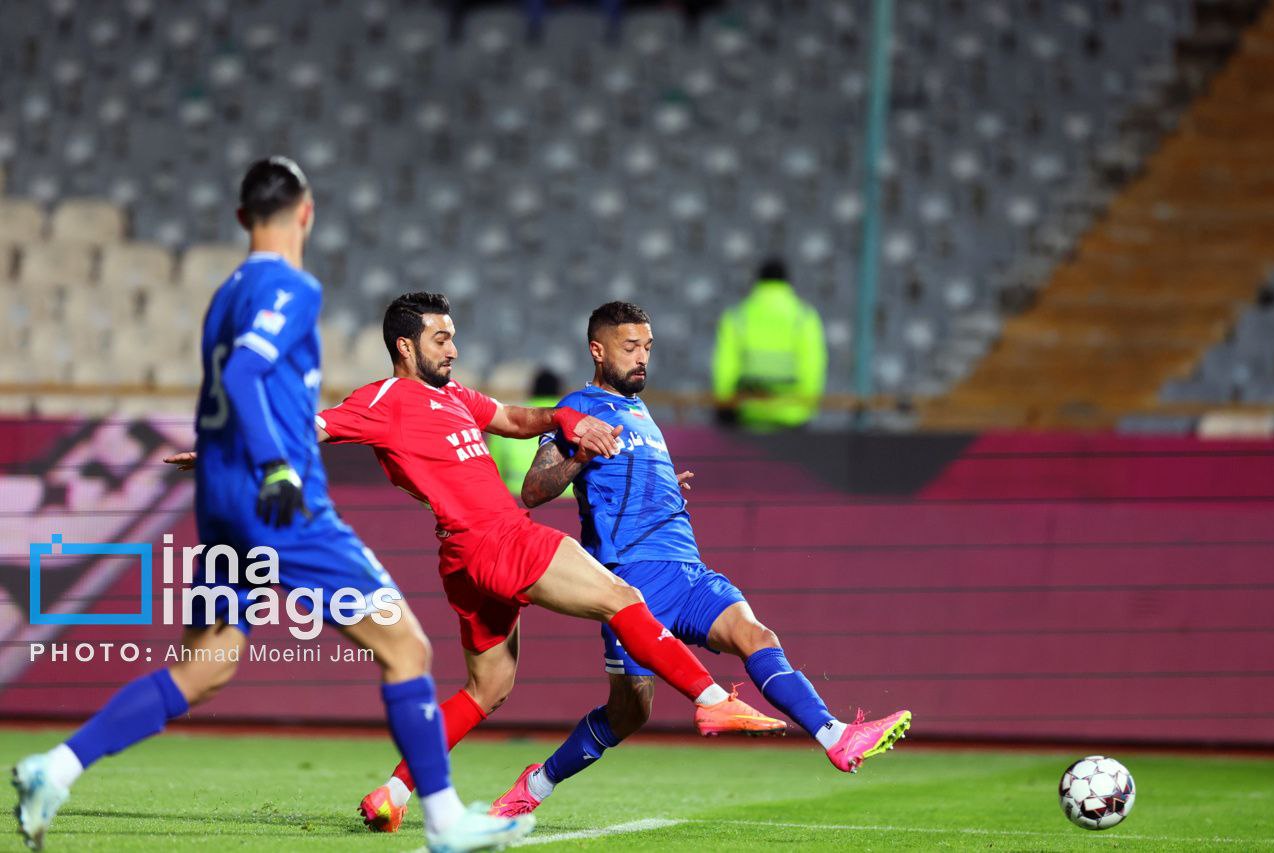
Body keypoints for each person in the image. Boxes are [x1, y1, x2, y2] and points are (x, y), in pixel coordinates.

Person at [11, 158, 531, 853]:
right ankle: (444, 820)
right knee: (406, 646)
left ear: (240, 219)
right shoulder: (293, 286)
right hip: (278, 500)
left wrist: (225, 458)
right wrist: (280, 464)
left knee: (205, 667)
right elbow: (246, 372)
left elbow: (224, 388)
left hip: (222, 497)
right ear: (306, 213)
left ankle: (57, 767)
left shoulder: (225, 294)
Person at [170, 292, 782, 833]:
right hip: (497, 538)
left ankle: (392, 791)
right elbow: (308, 429)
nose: (454, 348)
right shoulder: (382, 399)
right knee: (623, 598)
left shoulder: (454, 397)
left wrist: (566, 417)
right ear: (405, 346)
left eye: (454, 336)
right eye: (442, 338)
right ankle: (708, 699)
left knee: (489, 686)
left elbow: (515, 419)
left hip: (465, 559)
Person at [488, 301, 911, 817]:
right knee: (628, 713)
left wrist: (665, 486)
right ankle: (535, 786)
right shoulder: (576, 409)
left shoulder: (642, 414)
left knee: (756, 636)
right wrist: (579, 454)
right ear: (597, 351)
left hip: (687, 569)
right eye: (630, 348)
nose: (642, 358)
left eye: (647, 347)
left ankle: (836, 735)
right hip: (630, 582)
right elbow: (533, 490)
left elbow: (627, 481)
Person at [712, 258, 828, 430]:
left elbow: (725, 367)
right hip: (793, 417)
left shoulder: (737, 316)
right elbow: (813, 366)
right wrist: (806, 407)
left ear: (758, 281)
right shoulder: (804, 317)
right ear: (787, 282)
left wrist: (726, 404)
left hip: (747, 415)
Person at [487, 367, 569, 498]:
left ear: (532, 390)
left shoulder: (509, 418)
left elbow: (492, 472)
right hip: (566, 501)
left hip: (517, 499)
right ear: (560, 392)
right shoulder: (573, 418)